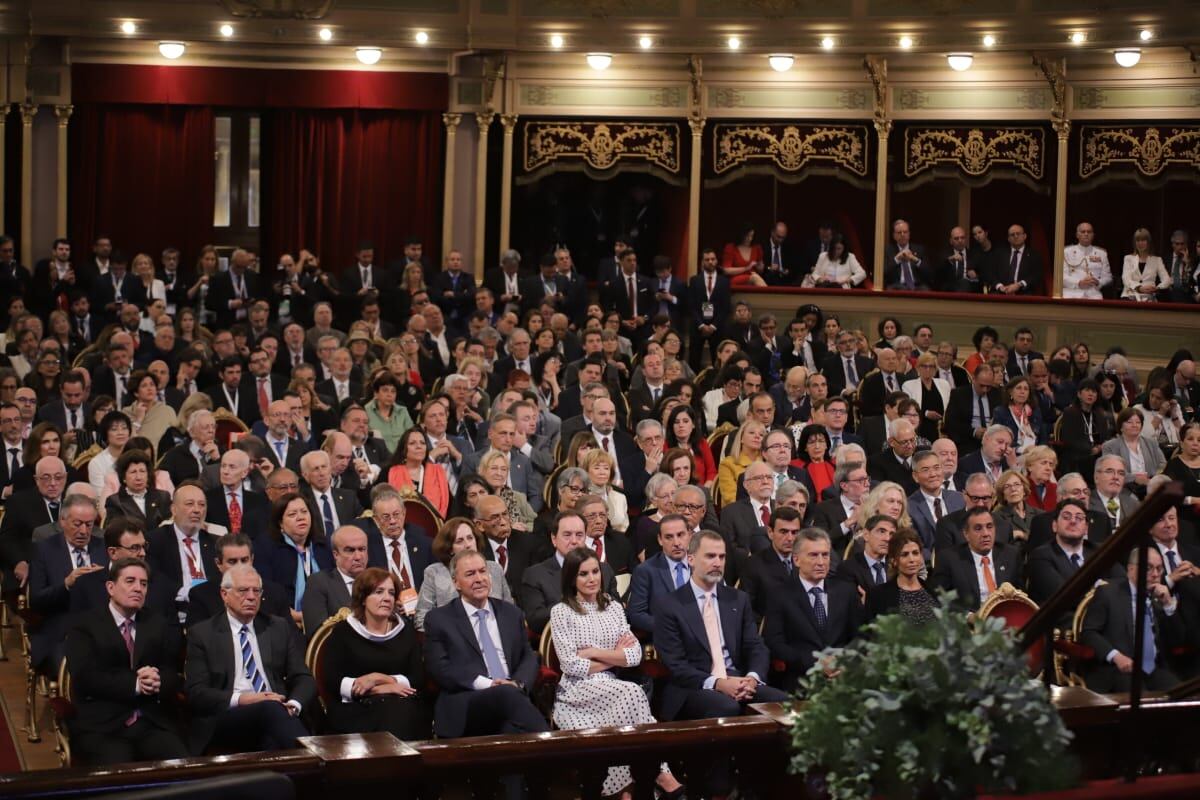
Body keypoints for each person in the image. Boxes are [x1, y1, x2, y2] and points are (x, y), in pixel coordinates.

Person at [652, 530, 787, 796]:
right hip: (690, 687)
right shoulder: (670, 604)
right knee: (724, 705)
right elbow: (676, 665)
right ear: (691, 559)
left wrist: (752, 677)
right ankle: (716, 790)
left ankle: (766, 786)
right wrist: (718, 683)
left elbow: (755, 646)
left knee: (782, 703)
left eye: (722, 557)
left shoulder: (737, 599)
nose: (718, 562)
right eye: (710, 556)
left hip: (738, 679)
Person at [549, 546, 685, 799]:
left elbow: (634, 656)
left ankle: (627, 791)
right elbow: (571, 666)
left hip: (612, 685)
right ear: (571, 578)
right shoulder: (561, 612)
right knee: (633, 693)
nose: (591, 579)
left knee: (628, 698)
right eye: (583, 574)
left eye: (594, 572)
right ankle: (658, 773)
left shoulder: (612, 606)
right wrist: (615, 657)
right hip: (576, 692)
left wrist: (592, 653)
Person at [64, 558, 189, 765]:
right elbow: (85, 677)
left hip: (149, 720)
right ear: (110, 587)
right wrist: (135, 683)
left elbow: (171, 670)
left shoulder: (156, 622)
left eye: (143, 583)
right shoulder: (85, 625)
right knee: (119, 770)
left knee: (182, 765)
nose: (138, 588)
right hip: (104, 726)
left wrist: (158, 681)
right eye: (130, 581)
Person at [185, 564, 315, 754]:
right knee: (269, 709)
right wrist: (243, 699)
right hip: (227, 716)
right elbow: (196, 693)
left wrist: (293, 706)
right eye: (243, 590)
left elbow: (303, 677)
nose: (252, 597)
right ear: (224, 594)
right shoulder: (203, 634)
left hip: (279, 713)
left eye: (257, 591)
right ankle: (313, 759)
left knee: (272, 734)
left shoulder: (276, 627)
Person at [422, 548, 547, 742]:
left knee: (511, 732)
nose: (479, 578)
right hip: (468, 701)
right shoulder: (439, 619)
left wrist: (518, 683)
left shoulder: (511, 613)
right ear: (456, 583)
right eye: (470, 574)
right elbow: (439, 668)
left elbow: (528, 655)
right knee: (505, 694)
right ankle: (553, 747)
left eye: (482, 571)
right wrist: (489, 684)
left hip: (511, 697)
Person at [318, 566, 433, 740]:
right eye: (379, 592)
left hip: (402, 702)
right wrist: (378, 689)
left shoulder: (405, 630)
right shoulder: (343, 632)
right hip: (356, 707)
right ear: (363, 598)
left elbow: (417, 677)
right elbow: (332, 680)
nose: (387, 598)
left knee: (403, 711)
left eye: (391, 593)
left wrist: (377, 678)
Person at [763, 527, 861, 691]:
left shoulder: (846, 591)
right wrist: (815, 662)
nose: (821, 562)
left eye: (825, 555)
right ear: (796, 560)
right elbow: (774, 643)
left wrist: (843, 662)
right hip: (801, 678)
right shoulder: (780, 595)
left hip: (843, 676)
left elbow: (860, 636)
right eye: (813, 555)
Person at [1080, 547, 1183, 692]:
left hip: (1153, 670)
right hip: (1118, 670)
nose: (1155, 574)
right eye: (1148, 568)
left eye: (1159, 569)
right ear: (1131, 570)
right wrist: (1115, 656)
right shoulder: (1109, 593)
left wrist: (1168, 605)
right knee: (1140, 700)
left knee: (1183, 696)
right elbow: (1089, 633)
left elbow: (1177, 639)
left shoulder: (1159, 598)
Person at [522, 510, 619, 635]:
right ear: (554, 539)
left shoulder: (604, 570)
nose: (574, 541)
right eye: (567, 535)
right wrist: (574, 602)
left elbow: (618, 610)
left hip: (605, 638)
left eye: (579, 535)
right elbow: (536, 621)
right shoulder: (535, 575)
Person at [415, 517, 511, 631]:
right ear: (450, 548)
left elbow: (509, 610)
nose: (467, 545)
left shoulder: (494, 569)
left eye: (470, 538)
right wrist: (450, 634)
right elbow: (421, 619)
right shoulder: (434, 573)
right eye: (460, 541)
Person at [257, 491, 334, 626]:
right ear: (280, 523)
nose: (300, 517)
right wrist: (295, 615)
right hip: (285, 621)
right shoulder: (266, 547)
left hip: (327, 619)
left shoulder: (323, 545)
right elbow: (266, 590)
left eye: (304, 512)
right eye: (292, 514)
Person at [931, 507, 1024, 611]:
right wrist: (969, 617)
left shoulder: (1011, 554)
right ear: (966, 534)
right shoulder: (949, 559)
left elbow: (1020, 594)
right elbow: (940, 599)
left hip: (1006, 616)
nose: (985, 534)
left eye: (989, 527)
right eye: (978, 528)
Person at [301, 524, 369, 637]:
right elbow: (317, 633)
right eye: (350, 550)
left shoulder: (379, 580)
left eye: (362, 549)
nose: (358, 557)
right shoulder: (319, 582)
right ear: (336, 554)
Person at [865, 528, 936, 623]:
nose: (912, 559)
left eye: (915, 553)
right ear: (893, 560)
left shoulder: (934, 591)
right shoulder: (878, 596)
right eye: (904, 554)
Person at [385, 426, 450, 518]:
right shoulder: (391, 471)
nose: (419, 446)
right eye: (412, 443)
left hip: (436, 526)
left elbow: (449, 504)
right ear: (403, 449)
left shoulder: (437, 471)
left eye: (422, 443)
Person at [1101, 408, 1166, 496]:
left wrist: (1154, 479)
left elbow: (1162, 464)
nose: (1134, 425)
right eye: (1129, 422)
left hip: (1151, 486)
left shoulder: (1151, 443)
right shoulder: (1110, 446)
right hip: (1124, 489)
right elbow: (1111, 472)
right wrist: (1135, 478)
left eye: (1138, 422)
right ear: (1121, 426)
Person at [105, 449, 173, 530]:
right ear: (123, 477)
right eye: (133, 472)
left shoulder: (163, 496)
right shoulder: (114, 501)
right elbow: (116, 532)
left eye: (142, 471)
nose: (138, 477)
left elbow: (170, 526)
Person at [716, 419, 765, 507]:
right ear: (741, 438)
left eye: (761, 435)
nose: (757, 436)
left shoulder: (767, 464)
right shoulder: (727, 464)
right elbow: (731, 499)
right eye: (751, 433)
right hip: (739, 513)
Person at [1062, 221, 1113, 300]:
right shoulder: (1066, 252)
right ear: (1077, 235)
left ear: (1093, 235)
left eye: (1089, 232)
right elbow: (1061, 276)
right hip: (1071, 293)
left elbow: (1108, 277)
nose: (1086, 234)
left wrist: (1098, 282)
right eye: (1083, 232)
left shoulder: (1101, 253)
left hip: (1094, 294)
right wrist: (1079, 283)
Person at [1121, 227, 1170, 302]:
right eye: (1138, 240)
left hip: (1149, 298)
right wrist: (1139, 288)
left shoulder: (1157, 260)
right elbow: (1126, 279)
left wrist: (1157, 288)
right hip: (1130, 297)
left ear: (1148, 242)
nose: (1140, 243)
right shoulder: (1128, 258)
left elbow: (1167, 280)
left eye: (1143, 240)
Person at [883, 220, 932, 291]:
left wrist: (915, 259)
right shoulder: (888, 251)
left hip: (917, 286)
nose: (903, 235)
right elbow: (884, 273)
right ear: (894, 236)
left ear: (909, 234)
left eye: (905, 232)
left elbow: (929, 273)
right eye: (899, 233)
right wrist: (897, 258)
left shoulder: (919, 249)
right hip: (896, 286)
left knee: (926, 289)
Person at [992, 469, 1036, 545]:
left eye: (1017, 484)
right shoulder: (997, 516)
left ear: (1024, 490)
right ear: (1003, 494)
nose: (1013, 489)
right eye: (1007, 486)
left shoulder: (1039, 514)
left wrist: (1021, 534)